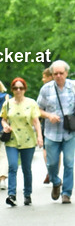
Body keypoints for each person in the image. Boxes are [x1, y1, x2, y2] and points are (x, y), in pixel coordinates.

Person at [0, 77, 43, 206]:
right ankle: (11, 194)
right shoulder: (7, 103)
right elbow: (3, 119)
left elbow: (36, 121)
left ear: (24, 89)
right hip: (12, 139)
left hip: (28, 139)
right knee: (12, 166)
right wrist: (5, 126)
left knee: (26, 168)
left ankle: (27, 194)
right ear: (12, 89)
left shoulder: (31, 103)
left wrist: (40, 137)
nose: (18, 90)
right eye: (15, 88)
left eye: (21, 88)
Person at [37, 59, 75, 203]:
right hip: (52, 133)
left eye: (61, 73)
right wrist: (48, 115)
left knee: (69, 163)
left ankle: (66, 193)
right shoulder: (46, 89)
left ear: (66, 73)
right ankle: (56, 182)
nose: (58, 76)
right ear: (52, 74)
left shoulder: (73, 86)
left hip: (70, 132)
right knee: (52, 164)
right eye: (55, 73)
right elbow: (38, 109)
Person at [40, 66, 54, 183]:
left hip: (47, 122)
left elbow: (39, 108)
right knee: (57, 151)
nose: (43, 80)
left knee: (46, 148)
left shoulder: (45, 89)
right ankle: (54, 173)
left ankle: (50, 170)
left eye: (44, 77)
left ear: (50, 77)